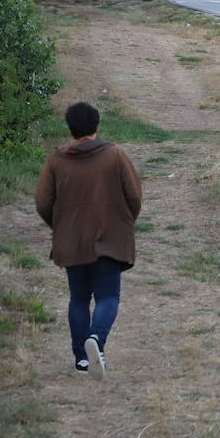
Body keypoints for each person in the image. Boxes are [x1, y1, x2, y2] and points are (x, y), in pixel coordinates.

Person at [36, 102, 143, 376]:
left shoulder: (56, 160)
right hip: (109, 237)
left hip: (71, 241)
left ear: (70, 128)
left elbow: (42, 203)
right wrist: (124, 223)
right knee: (108, 297)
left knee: (79, 299)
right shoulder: (115, 155)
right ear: (97, 125)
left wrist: (60, 227)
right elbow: (134, 196)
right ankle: (96, 338)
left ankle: (82, 359)